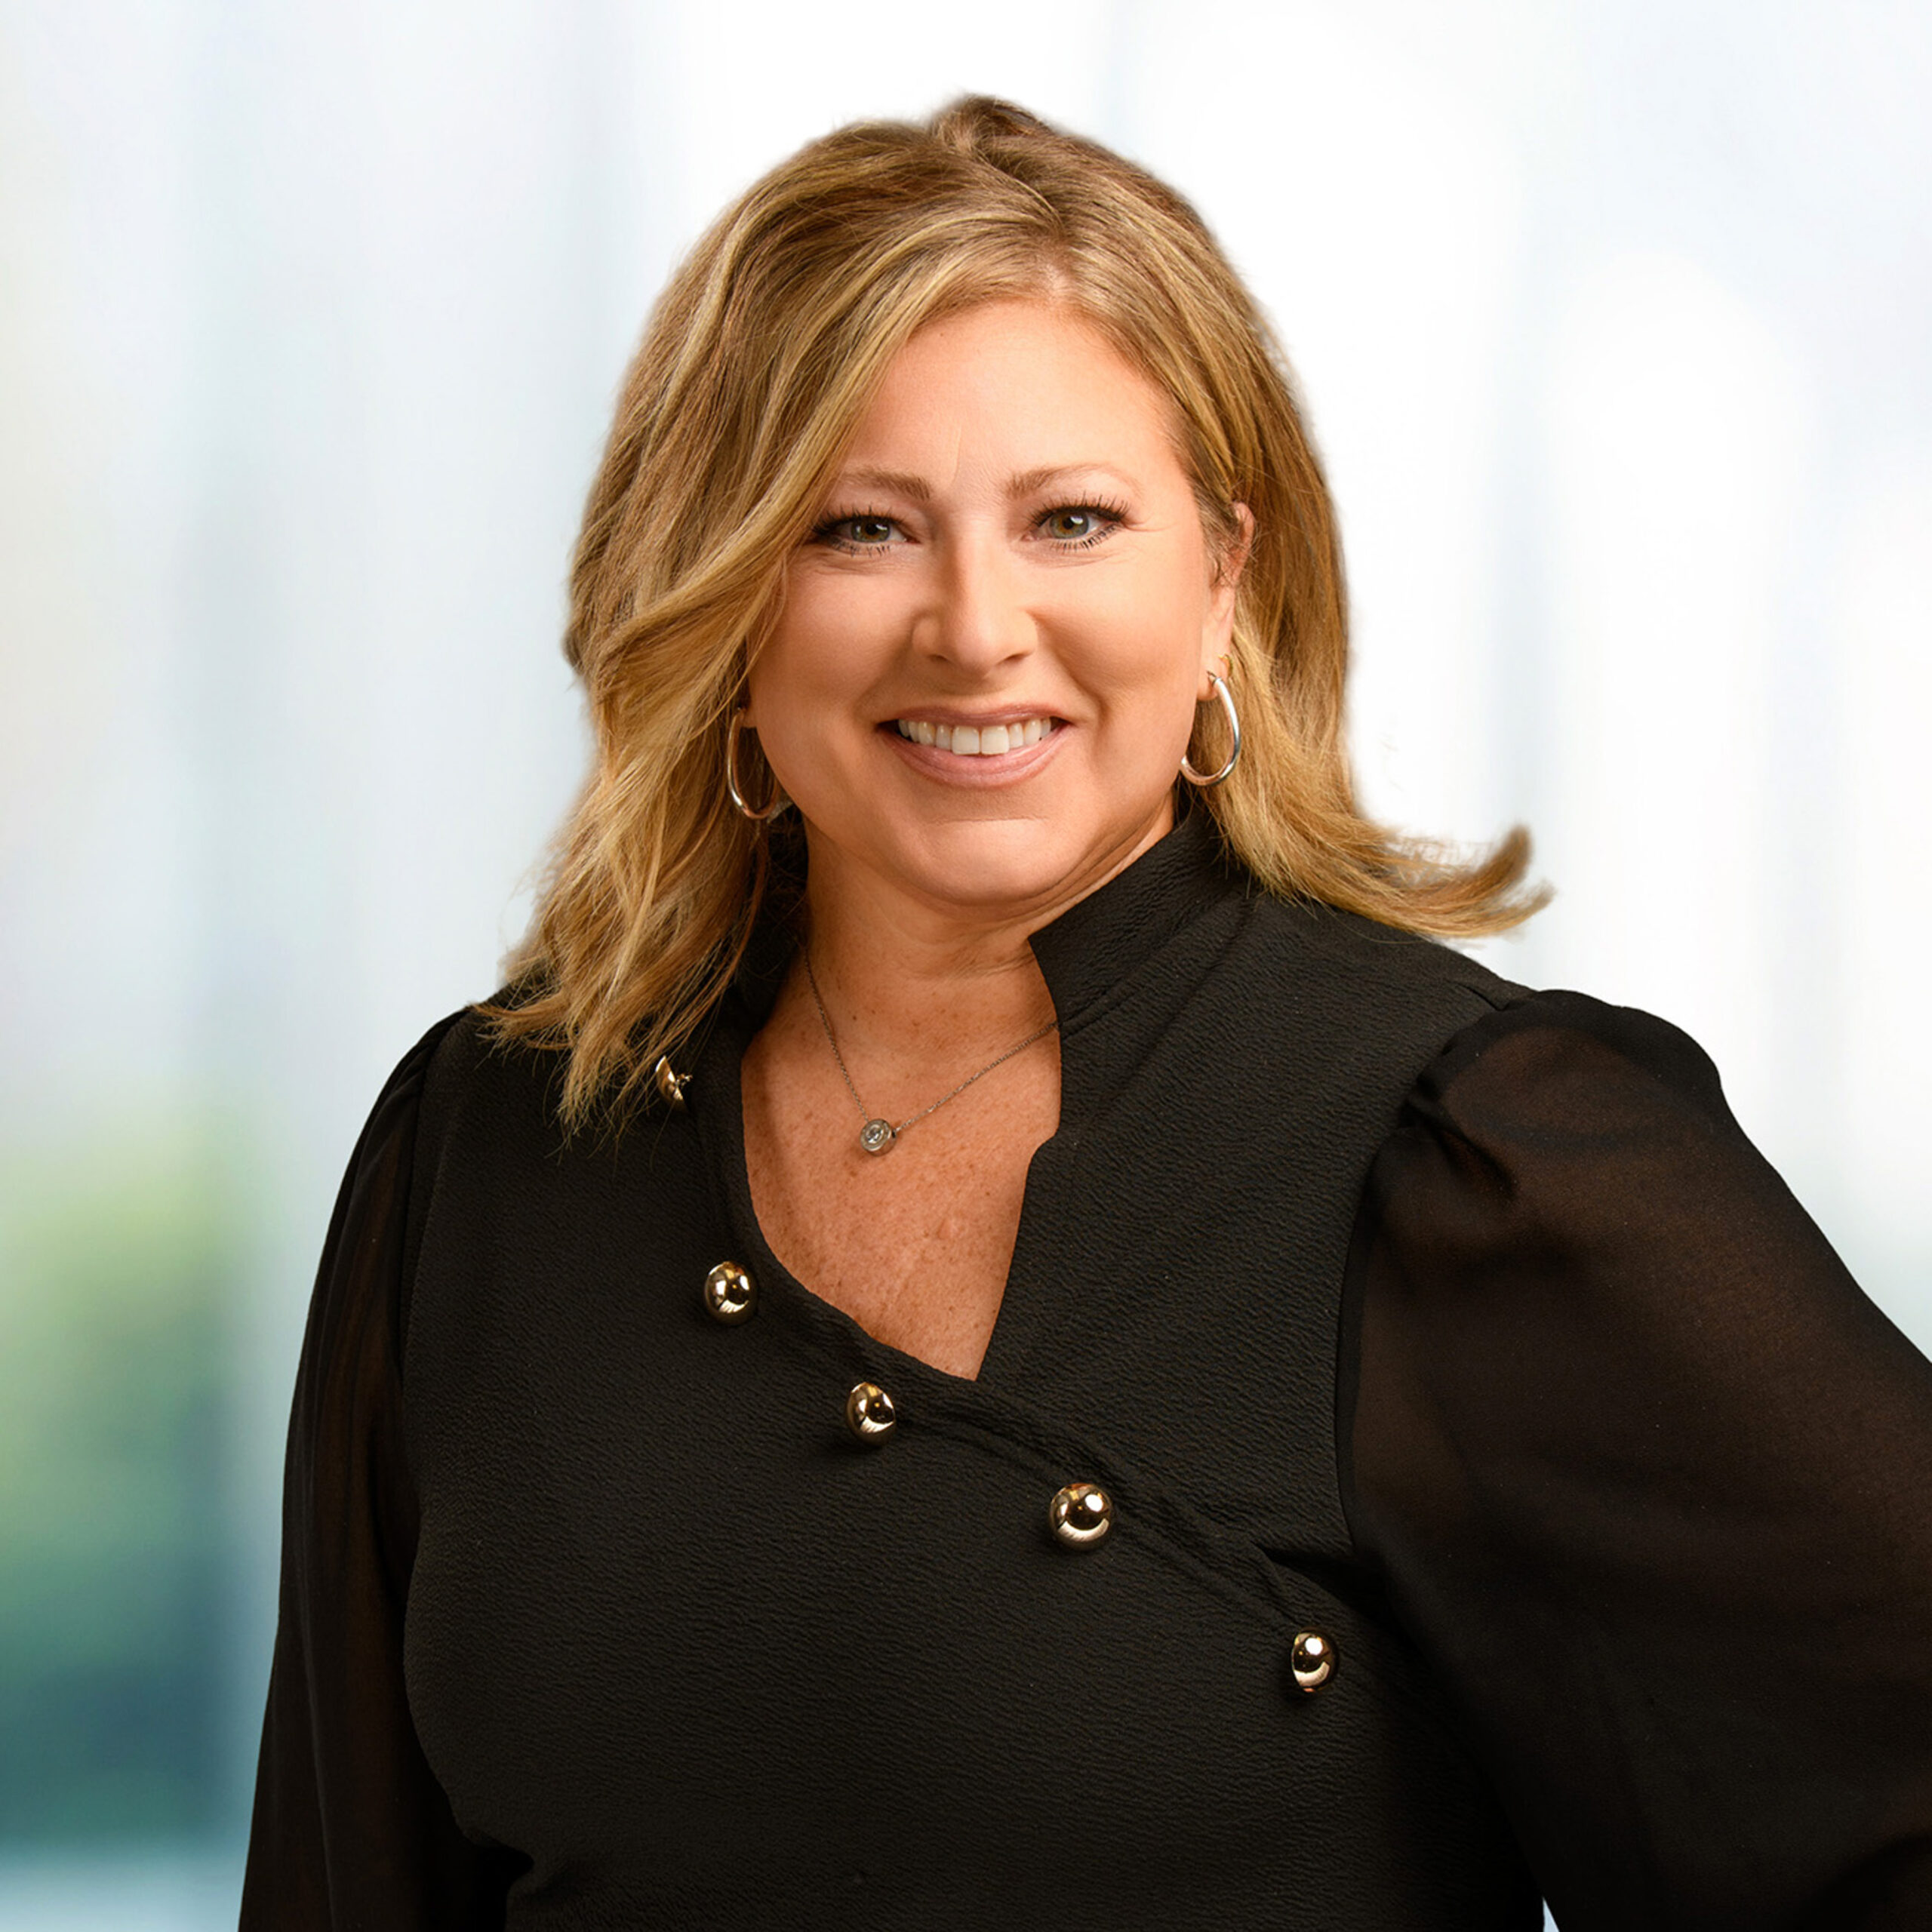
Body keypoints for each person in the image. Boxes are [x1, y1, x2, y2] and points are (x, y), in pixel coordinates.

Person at [240, 97, 1932, 1930]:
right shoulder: (482, 1151)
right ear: (720, 600)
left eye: (1070, 520)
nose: (974, 628)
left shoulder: (1482, 1150)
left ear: (1219, 579)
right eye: (859, 527)